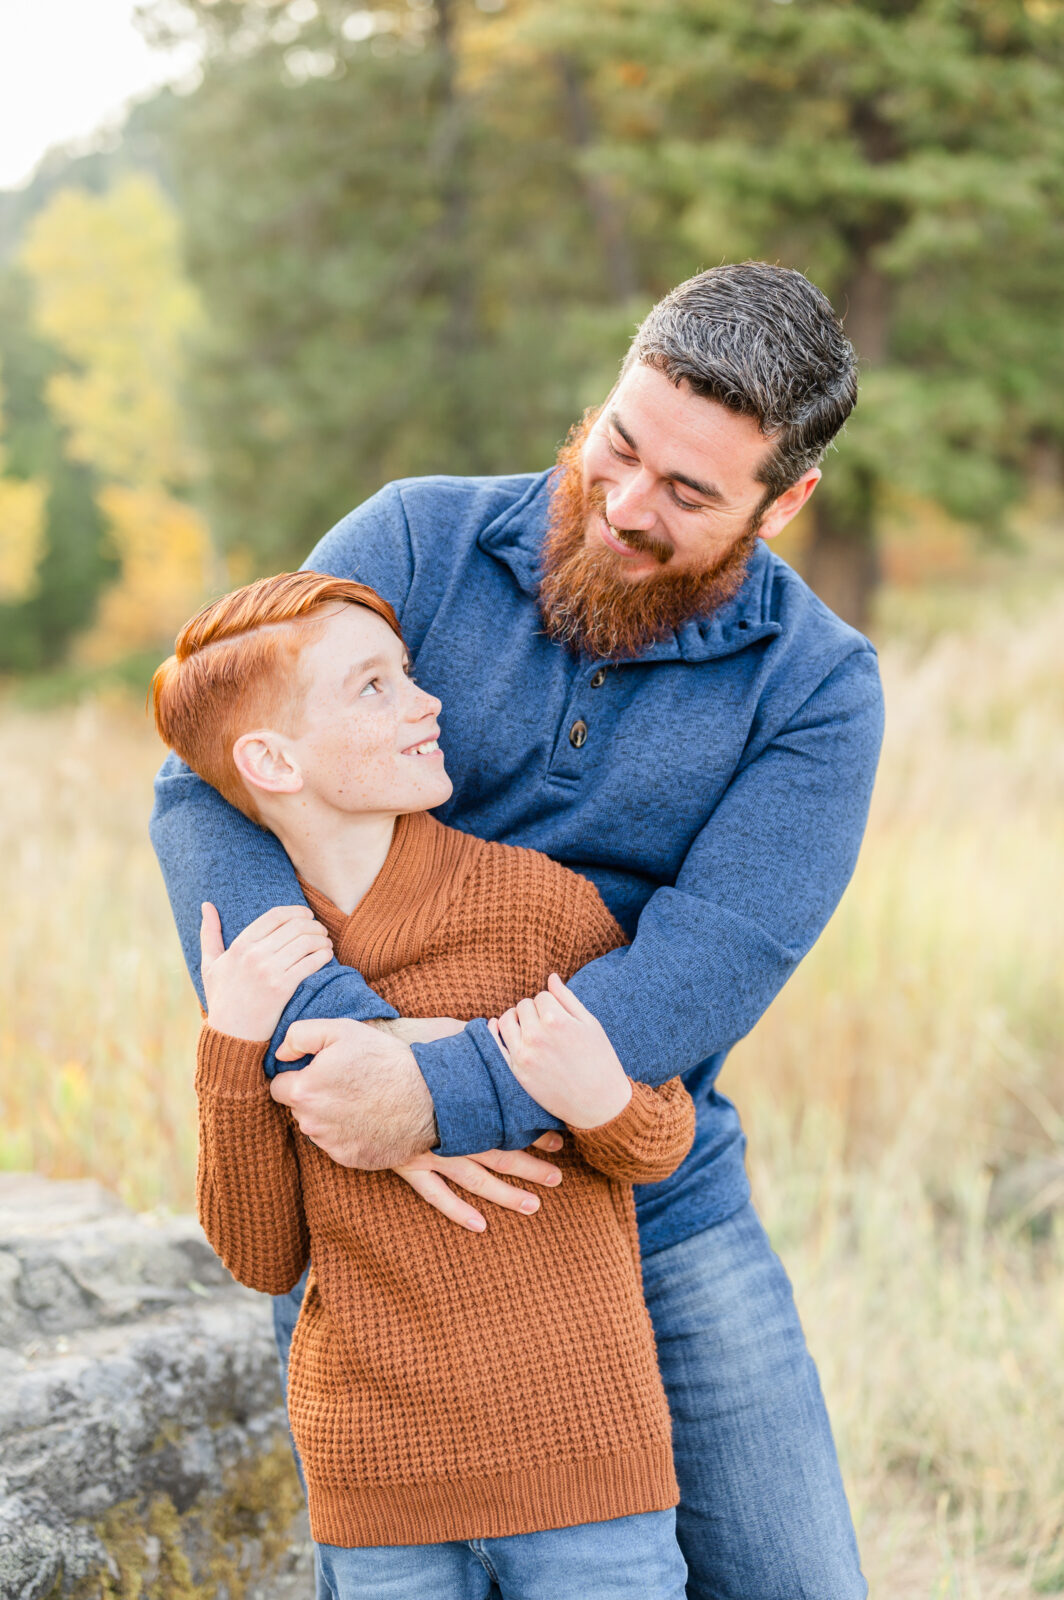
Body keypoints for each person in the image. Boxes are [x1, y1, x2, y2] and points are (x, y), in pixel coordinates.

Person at [151, 261, 884, 1599]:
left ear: (783, 505)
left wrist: (451, 1093)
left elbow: (711, 960)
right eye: (619, 445)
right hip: (370, 1190)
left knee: (795, 1578)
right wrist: (351, 1060)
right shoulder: (416, 543)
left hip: (639, 1180)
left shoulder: (819, 690)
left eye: (687, 494)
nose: (620, 506)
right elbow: (206, 795)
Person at [151, 570, 697, 1599]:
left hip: (585, 1474)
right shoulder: (263, 976)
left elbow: (661, 1141)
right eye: (373, 689)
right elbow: (263, 1256)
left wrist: (594, 1098)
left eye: (405, 675)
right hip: (378, 1491)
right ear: (271, 759)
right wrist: (230, 1044)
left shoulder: (538, 909)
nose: (425, 701)